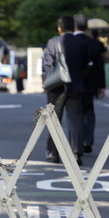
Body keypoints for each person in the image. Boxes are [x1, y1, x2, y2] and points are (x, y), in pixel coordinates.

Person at [41, 15, 75, 163]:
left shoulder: (53, 42)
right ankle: (76, 152)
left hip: (56, 86)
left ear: (59, 28)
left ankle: (54, 153)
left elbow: (47, 65)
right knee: (76, 120)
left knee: (55, 120)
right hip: (75, 86)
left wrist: (46, 83)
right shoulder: (79, 41)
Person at [73, 14, 105, 154]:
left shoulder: (69, 41)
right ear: (86, 27)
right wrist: (101, 86)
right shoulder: (92, 43)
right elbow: (99, 65)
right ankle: (88, 140)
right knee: (89, 112)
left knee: (75, 114)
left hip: (74, 84)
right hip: (90, 84)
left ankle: (77, 142)